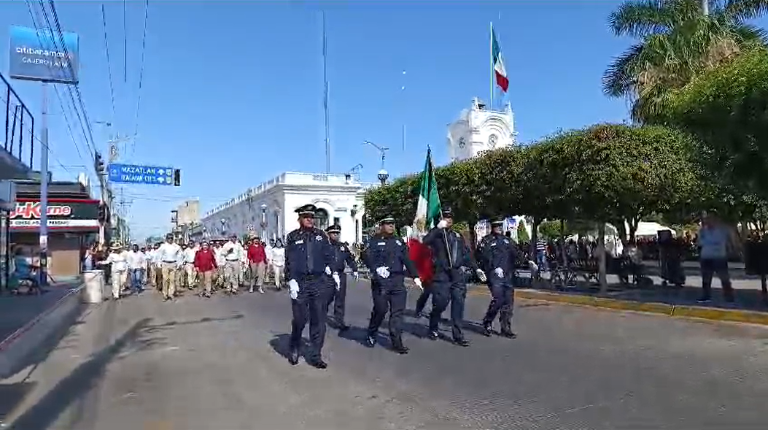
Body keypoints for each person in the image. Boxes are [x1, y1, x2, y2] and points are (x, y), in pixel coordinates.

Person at [285, 203, 339, 369]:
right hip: (300, 283)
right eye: (306, 216)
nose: (310, 219)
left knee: (319, 320)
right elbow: (290, 260)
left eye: (312, 217)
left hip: (318, 282)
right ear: (300, 218)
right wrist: (290, 280)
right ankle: (295, 345)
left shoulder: (321, 235)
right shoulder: (293, 236)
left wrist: (334, 271)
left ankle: (316, 355)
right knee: (300, 319)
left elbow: (328, 255)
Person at [423, 207, 486, 347]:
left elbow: (466, 254)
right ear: (441, 219)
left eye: (450, 217)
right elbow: (425, 241)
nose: (448, 219)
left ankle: (458, 335)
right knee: (440, 303)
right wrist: (437, 229)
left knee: (458, 304)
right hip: (442, 274)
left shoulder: (457, 236)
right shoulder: (437, 235)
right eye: (445, 216)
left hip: (457, 274)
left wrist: (477, 268)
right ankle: (433, 325)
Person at [364, 216, 422, 354]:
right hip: (381, 282)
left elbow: (406, 259)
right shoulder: (374, 241)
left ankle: (397, 342)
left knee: (397, 313)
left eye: (393, 224)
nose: (391, 226)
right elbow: (366, 256)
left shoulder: (398, 241)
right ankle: (372, 332)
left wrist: (415, 276)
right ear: (381, 226)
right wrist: (376, 268)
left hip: (397, 281)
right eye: (388, 224)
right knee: (381, 310)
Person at [478, 219, 517, 338]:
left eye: (500, 226)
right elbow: (483, 256)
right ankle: (488, 321)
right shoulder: (487, 241)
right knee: (498, 299)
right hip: (494, 276)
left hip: (508, 275)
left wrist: (529, 261)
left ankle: (506, 328)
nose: (499, 228)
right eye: (496, 226)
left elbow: (516, 253)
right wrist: (493, 268)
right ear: (492, 227)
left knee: (508, 302)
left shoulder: (507, 240)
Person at [325, 224, 359, 331]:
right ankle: (320, 316)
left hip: (340, 274)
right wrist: (325, 267)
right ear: (329, 234)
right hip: (327, 276)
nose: (336, 235)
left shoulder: (342, 246)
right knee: (326, 298)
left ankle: (339, 321)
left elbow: (349, 259)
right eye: (333, 233)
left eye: (337, 233)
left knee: (340, 299)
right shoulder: (323, 246)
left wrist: (355, 269)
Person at [157, 234, 181, 301]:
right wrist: (159, 263)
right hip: (165, 263)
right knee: (165, 279)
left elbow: (179, 256)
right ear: (166, 239)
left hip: (173, 263)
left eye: (171, 238)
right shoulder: (163, 246)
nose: (170, 240)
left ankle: (171, 294)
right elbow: (159, 255)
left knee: (172, 280)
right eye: (168, 238)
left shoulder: (176, 246)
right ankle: (165, 294)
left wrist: (179, 264)